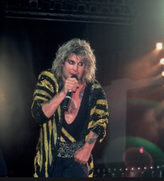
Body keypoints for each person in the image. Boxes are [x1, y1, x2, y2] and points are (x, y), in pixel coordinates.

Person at [31, 38, 109, 177]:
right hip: (50, 160)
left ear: (86, 67)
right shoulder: (48, 79)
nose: (75, 68)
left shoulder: (95, 89)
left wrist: (87, 149)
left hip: (77, 160)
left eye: (80, 64)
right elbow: (38, 114)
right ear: (62, 62)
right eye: (71, 62)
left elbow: (100, 121)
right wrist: (62, 93)